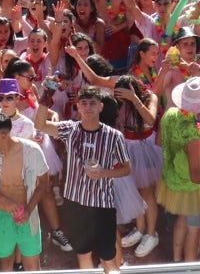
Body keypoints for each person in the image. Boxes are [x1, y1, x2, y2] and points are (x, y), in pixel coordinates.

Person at [34, 84, 130, 274]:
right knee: (83, 253)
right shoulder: (70, 129)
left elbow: (127, 169)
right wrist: (46, 97)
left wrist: (104, 172)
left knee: (108, 257)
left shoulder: (114, 136)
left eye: (92, 103)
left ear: (100, 107)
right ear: (77, 106)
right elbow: (40, 125)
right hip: (75, 203)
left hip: (103, 204)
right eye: (83, 103)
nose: (87, 107)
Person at [156, 77, 200, 262]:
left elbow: (159, 141)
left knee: (181, 220)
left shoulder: (170, 113)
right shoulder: (193, 134)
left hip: (173, 179)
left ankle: (177, 261)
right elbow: (196, 176)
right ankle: (188, 267)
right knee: (194, 230)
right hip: (192, 187)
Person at [0, 112, 49, 272]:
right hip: (0, 217)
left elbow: (44, 183)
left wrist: (29, 209)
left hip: (28, 215)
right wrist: (5, 201)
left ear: (3, 134)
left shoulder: (32, 150)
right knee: (5, 263)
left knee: (32, 265)